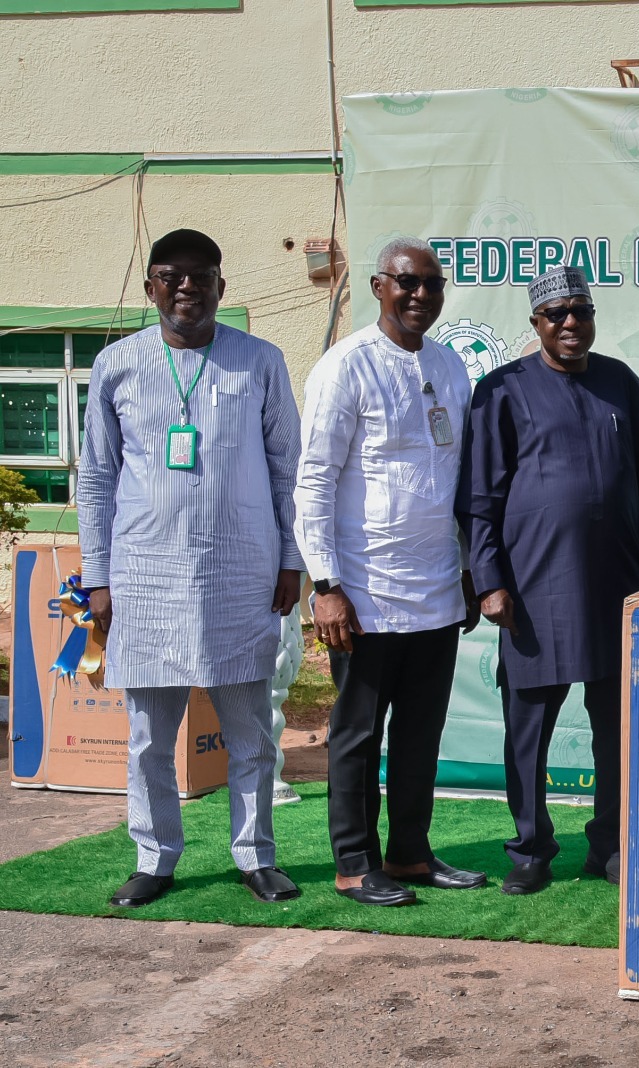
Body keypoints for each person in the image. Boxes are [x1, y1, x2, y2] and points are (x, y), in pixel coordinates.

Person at [78, 227, 303, 908]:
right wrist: (98, 575)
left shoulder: (259, 361)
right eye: (171, 276)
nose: (186, 288)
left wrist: (291, 560)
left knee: (250, 735)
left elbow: (287, 469)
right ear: (151, 286)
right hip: (146, 578)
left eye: (200, 276)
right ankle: (154, 859)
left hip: (241, 576)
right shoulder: (116, 365)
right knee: (150, 739)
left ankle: (256, 856)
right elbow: (97, 478)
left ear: (220, 288)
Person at [457, 267, 639, 895]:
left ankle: (610, 843)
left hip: (616, 585)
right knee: (528, 732)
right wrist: (488, 580)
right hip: (533, 591)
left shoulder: (620, 382)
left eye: (581, 311)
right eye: (557, 314)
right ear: (536, 323)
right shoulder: (502, 389)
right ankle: (531, 849)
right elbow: (479, 497)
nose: (571, 322)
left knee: (617, 728)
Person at [295, 238, 484, 906]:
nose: (420, 295)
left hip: (435, 588)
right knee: (356, 735)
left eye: (432, 284)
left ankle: (409, 853)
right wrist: (325, 586)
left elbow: (458, 478)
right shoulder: (344, 367)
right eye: (407, 283)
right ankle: (354, 863)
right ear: (379, 286)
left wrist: (467, 569)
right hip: (363, 593)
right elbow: (313, 482)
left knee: (419, 734)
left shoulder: (449, 365)